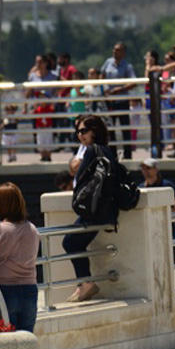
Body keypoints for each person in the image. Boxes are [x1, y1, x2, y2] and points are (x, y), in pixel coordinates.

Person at [63, 114, 116, 302]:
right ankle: (83, 285)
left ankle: (86, 284)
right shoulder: (106, 150)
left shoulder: (92, 151)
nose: (80, 135)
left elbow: (82, 179)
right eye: (78, 131)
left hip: (93, 210)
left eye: (84, 131)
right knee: (74, 242)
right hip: (103, 210)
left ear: (95, 130)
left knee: (70, 242)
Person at [0, 183, 40, 332]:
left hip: (3, 290)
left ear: (0, 204)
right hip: (29, 288)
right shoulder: (32, 229)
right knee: (26, 337)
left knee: (6, 336)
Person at [100, 42, 136, 160]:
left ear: (123, 53)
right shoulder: (108, 62)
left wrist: (119, 89)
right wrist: (105, 89)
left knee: (125, 128)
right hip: (110, 101)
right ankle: (112, 155)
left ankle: (127, 154)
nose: (115, 52)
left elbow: (133, 82)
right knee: (110, 130)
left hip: (122, 101)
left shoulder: (127, 66)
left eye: (118, 50)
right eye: (114, 49)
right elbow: (102, 75)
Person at [27, 56, 59, 161]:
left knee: (50, 130)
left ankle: (49, 155)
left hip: (49, 107)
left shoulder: (53, 75)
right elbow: (29, 90)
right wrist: (27, 104)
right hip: (37, 107)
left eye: (40, 62)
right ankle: (42, 155)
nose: (38, 64)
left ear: (46, 63)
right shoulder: (32, 76)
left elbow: (61, 85)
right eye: (37, 62)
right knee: (37, 130)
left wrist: (54, 98)